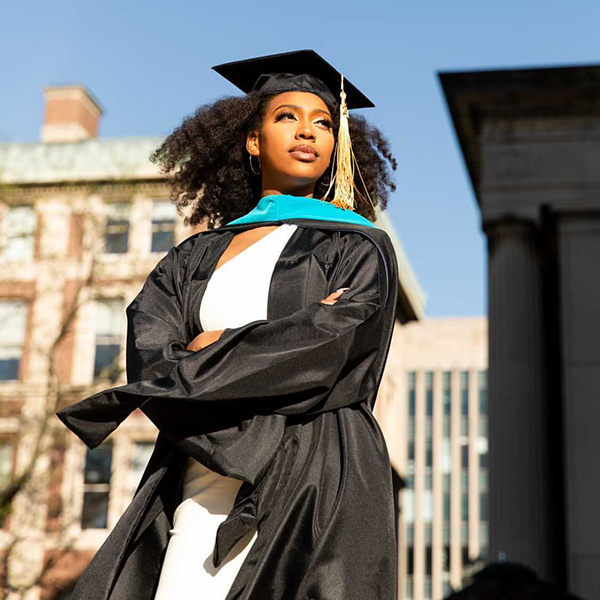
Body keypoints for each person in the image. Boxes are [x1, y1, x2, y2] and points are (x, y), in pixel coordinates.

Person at [57, 49, 401, 600]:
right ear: (252, 139)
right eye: (287, 116)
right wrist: (272, 346)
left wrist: (213, 347)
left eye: (323, 123)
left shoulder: (356, 244)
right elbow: (153, 357)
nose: (308, 131)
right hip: (202, 463)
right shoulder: (193, 258)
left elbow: (332, 349)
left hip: (318, 469)